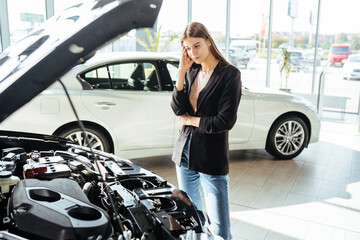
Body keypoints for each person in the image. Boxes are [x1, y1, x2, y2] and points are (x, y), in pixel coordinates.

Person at [170, 22, 242, 240]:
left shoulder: (229, 75)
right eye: (188, 48)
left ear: (209, 41)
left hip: (211, 157)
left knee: (220, 227)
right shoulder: (191, 71)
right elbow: (177, 109)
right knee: (192, 218)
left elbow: (224, 121)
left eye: (197, 46)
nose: (193, 52)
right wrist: (181, 72)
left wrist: (191, 120)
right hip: (184, 155)